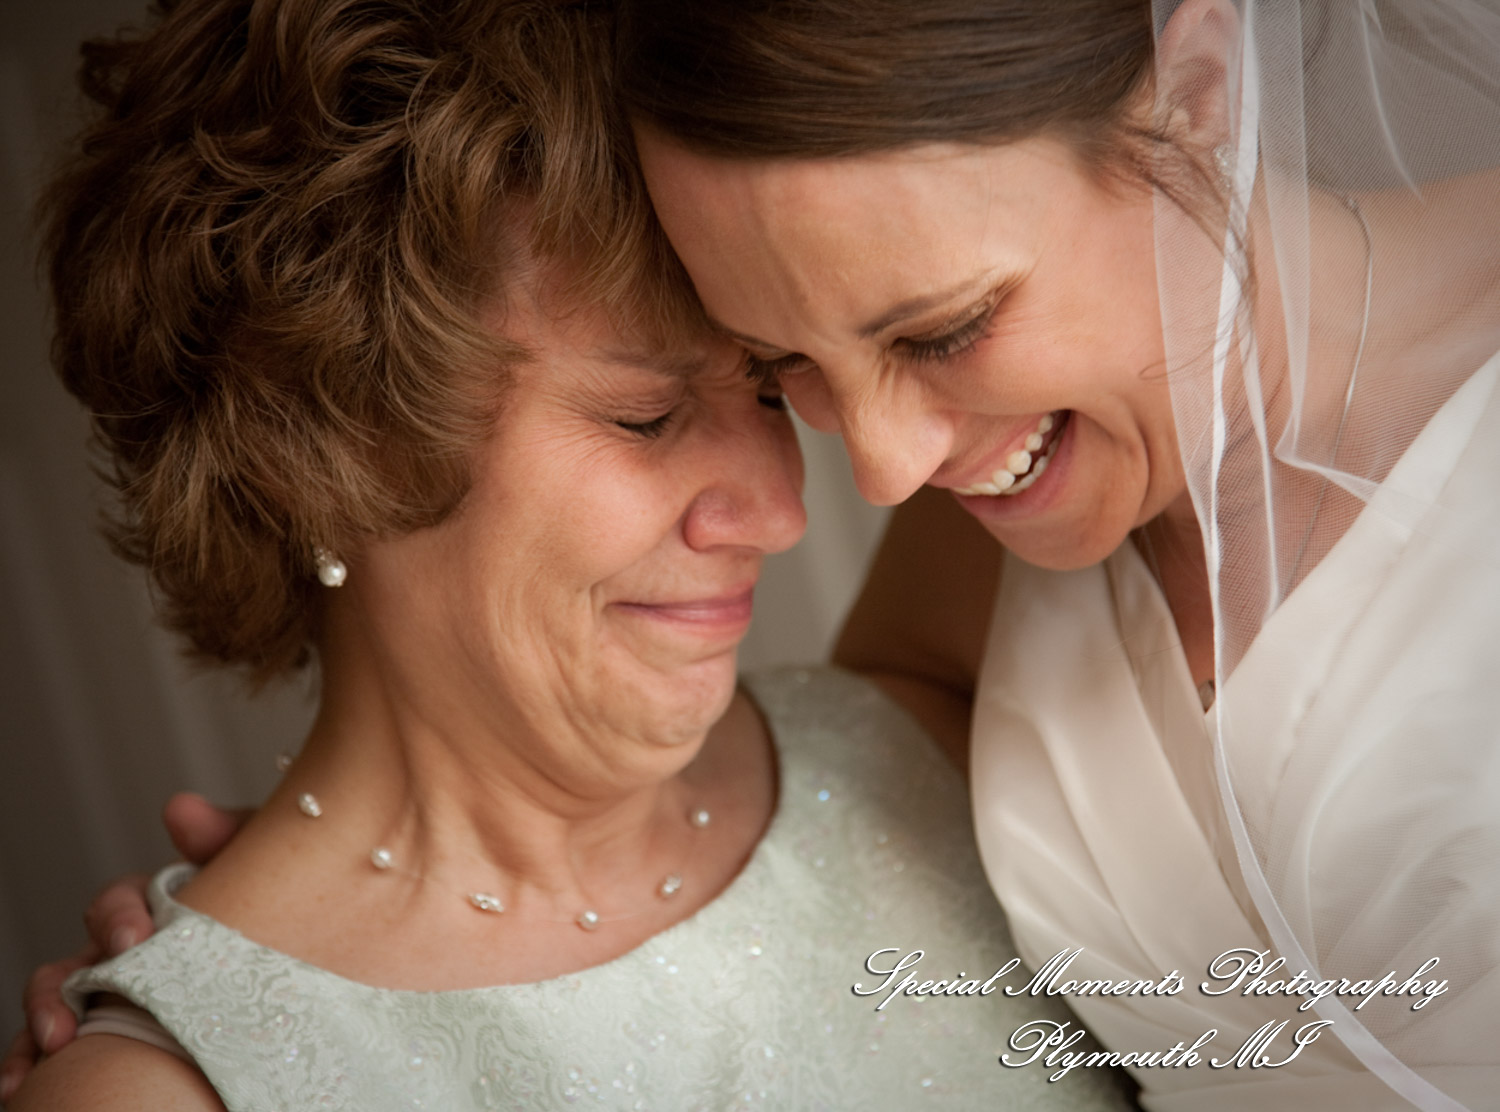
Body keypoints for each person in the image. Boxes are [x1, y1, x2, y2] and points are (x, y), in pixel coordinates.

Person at [3, 1, 1143, 1109]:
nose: (780, 511)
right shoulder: (168, 1086)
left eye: (767, 383)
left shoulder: (939, 723)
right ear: (327, 448)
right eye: (647, 417)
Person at [610, 1, 1500, 1110]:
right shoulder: (997, 497)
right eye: (782, 361)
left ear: (1200, 94)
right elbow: (882, 755)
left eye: (943, 330)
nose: (885, 468)